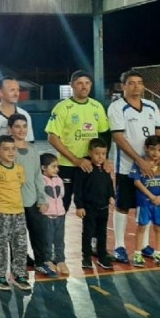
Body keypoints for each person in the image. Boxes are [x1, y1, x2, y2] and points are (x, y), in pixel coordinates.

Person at [107, 70, 160, 263]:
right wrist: (139, 161)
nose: (136, 86)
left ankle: (145, 246)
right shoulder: (117, 107)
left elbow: (159, 133)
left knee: (146, 205)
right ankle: (120, 246)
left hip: (152, 168)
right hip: (127, 168)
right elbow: (118, 137)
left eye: (139, 83)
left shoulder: (151, 106)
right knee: (123, 206)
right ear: (123, 86)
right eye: (131, 83)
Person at [45, 70, 110, 213]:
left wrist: (105, 159)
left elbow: (104, 134)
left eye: (87, 83)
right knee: (62, 206)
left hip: (90, 166)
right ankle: (57, 235)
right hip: (68, 165)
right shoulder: (62, 108)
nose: (84, 86)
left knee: (91, 207)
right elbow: (52, 138)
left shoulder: (97, 106)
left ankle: (90, 237)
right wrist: (76, 160)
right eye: (79, 83)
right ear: (72, 85)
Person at [8, 114, 56, 278]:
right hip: (14, 202)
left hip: (32, 201)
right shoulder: (7, 150)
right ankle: (18, 267)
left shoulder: (33, 150)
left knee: (38, 233)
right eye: (17, 126)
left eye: (24, 126)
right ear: (10, 129)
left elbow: (37, 176)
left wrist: (41, 199)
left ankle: (41, 263)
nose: (21, 130)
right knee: (17, 237)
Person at [0, 135, 31, 291]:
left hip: (18, 213)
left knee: (20, 245)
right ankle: (0, 275)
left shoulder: (19, 169)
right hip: (1, 213)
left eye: (13, 149)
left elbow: (19, 186)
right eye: (6, 149)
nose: (11, 152)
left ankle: (19, 274)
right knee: (0, 246)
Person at [74, 138, 115, 270]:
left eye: (103, 154)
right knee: (88, 233)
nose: (100, 157)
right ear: (90, 152)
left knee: (102, 233)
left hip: (103, 207)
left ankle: (102, 256)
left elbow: (109, 183)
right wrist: (79, 206)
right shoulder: (85, 168)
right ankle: (86, 257)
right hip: (89, 208)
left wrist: (111, 195)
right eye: (97, 154)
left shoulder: (105, 168)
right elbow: (78, 188)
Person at [129, 135, 160, 267]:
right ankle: (138, 253)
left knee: (158, 227)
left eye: (159, 150)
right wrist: (151, 196)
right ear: (146, 149)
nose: (156, 153)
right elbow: (137, 182)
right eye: (153, 149)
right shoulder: (140, 163)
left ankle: (157, 253)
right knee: (142, 227)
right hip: (145, 202)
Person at [0, 77, 34, 156]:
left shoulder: (25, 115)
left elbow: (30, 142)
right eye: (12, 90)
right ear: (0, 92)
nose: (16, 94)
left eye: (18, 90)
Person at [41, 153, 68, 275]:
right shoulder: (41, 181)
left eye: (57, 167)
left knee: (59, 239)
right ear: (43, 167)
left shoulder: (59, 180)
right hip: (47, 216)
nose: (57, 169)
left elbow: (61, 194)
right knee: (48, 239)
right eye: (53, 166)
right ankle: (47, 260)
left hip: (60, 215)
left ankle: (60, 260)